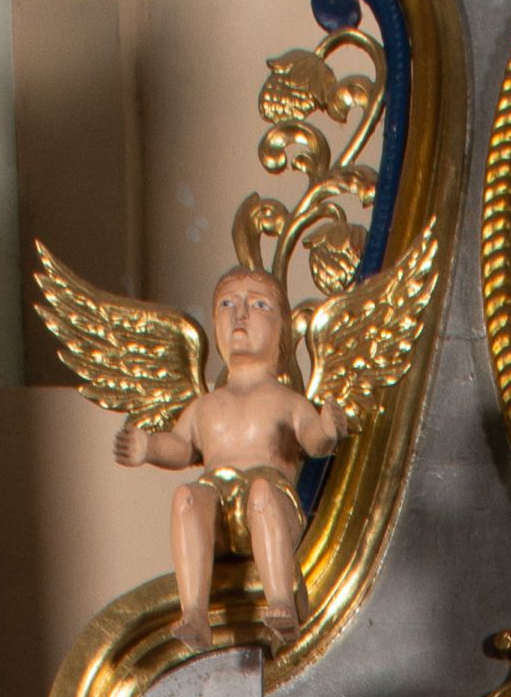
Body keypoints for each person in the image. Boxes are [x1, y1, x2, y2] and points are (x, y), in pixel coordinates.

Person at [111, 262, 343, 649]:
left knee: (262, 494)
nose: (240, 314)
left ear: (282, 330)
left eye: (259, 305)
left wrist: (328, 429)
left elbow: (313, 441)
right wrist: (149, 447)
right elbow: (182, 446)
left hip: (270, 502)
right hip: (217, 505)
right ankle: (194, 613)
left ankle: (281, 602)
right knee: (187, 497)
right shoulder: (206, 406)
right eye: (227, 304)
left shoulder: (286, 401)